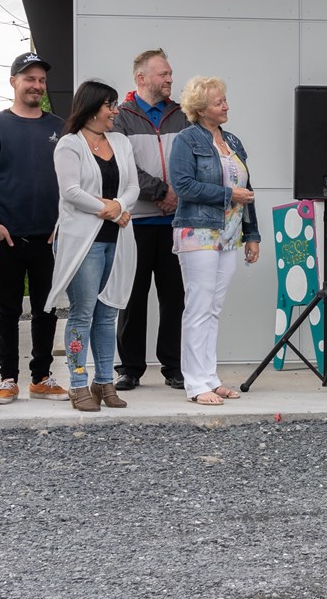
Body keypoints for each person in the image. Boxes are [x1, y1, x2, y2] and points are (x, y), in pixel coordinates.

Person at [0, 52, 68, 403]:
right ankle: (8, 378)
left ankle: (42, 377)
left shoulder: (59, 127)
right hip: (8, 239)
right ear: (13, 81)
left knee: (46, 309)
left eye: (41, 80)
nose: (36, 85)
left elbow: (71, 180)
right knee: (7, 310)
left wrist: (62, 223)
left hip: (49, 236)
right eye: (29, 78)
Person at [47, 81, 140, 412]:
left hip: (116, 239)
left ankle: (104, 381)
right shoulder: (69, 145)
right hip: (84, 242)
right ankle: (77, 383)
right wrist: (109, 209)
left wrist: (118, 206)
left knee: (108, 313)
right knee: (82, 313)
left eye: (115, 105)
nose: (115, 111)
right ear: (90, 108)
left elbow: (132, 185)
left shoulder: (120, 142)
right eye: (109, 105)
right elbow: (70, 190)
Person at [168, 76, 260, 405]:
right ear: (200, 108)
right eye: (218, 101)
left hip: (230, 235)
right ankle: (195, 383)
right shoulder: (186, 140)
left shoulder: (233, 140)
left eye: (225, 99)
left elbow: (248, 192)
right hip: (197, 231)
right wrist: (227, 193)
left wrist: (252, 234)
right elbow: (183, 186)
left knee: (214, 309)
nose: (226, 105)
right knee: (198, 307)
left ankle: (210, 376)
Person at [111, 49, 189, 392]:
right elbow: (122, 167)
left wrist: (177, 194)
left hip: (176, 224)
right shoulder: (121, 116)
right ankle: (130, 368)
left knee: (175, 298)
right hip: (136, 223)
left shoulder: (182, 115)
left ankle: (174, 366)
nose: (170, 79)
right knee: (133, 298)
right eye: (163, 74)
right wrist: (161, 192)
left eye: (170, 74)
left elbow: (192, 159)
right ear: (141, 78)